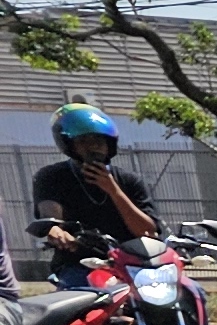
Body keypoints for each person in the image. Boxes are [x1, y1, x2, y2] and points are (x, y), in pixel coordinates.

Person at [30, 103, 160, 270]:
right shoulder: (51, 177)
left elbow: (147, 231)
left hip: (132, 263)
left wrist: (113, 190)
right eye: (83, 141)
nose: (93, 146)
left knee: (190, 290)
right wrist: (56, 230)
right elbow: (51, 217)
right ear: (69, 144)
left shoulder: (129, 180)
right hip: (79, 264)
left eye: (99, 141)